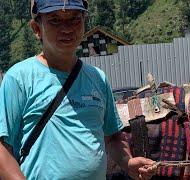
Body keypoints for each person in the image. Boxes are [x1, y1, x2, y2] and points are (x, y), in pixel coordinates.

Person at [0, 0, 157, 179]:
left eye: (74, 19)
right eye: (55, 20)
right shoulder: (19, 78)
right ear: (37, 28)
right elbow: (2, 150)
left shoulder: (97, 78)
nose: (67, 29)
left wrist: (127, 162)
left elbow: (113, 136)